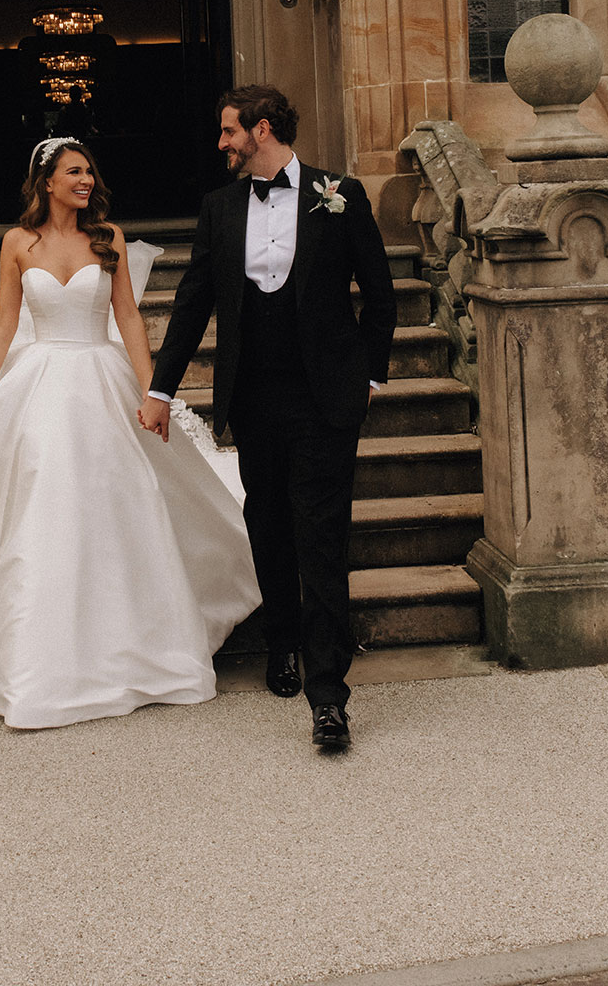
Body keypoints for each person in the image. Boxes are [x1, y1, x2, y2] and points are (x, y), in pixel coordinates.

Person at [0, 136, 260, 731]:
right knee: (43, 487)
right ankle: (43, 651)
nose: (85, 181)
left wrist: (153, 392)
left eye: (89, 171)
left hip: (101, 374)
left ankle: (142, 639)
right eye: (73, 172)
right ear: (47, 182)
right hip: (40, 382)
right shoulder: (19, 242)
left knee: (121, 491)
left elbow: (128, 317)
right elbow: (7, 320)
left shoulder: (107, 239)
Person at [139, 85, 397, 752]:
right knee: (268, 523)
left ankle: (329, 695)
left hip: (324, 397)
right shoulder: (220, 208)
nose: (221, 144)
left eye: (229, 132)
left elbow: (380, 291)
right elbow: (194, 302)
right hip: (254, 396)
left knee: (322, 532)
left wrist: (370, 375)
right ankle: (283, 640)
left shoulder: (339, 194)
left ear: (260, 130)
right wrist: (160, 390)